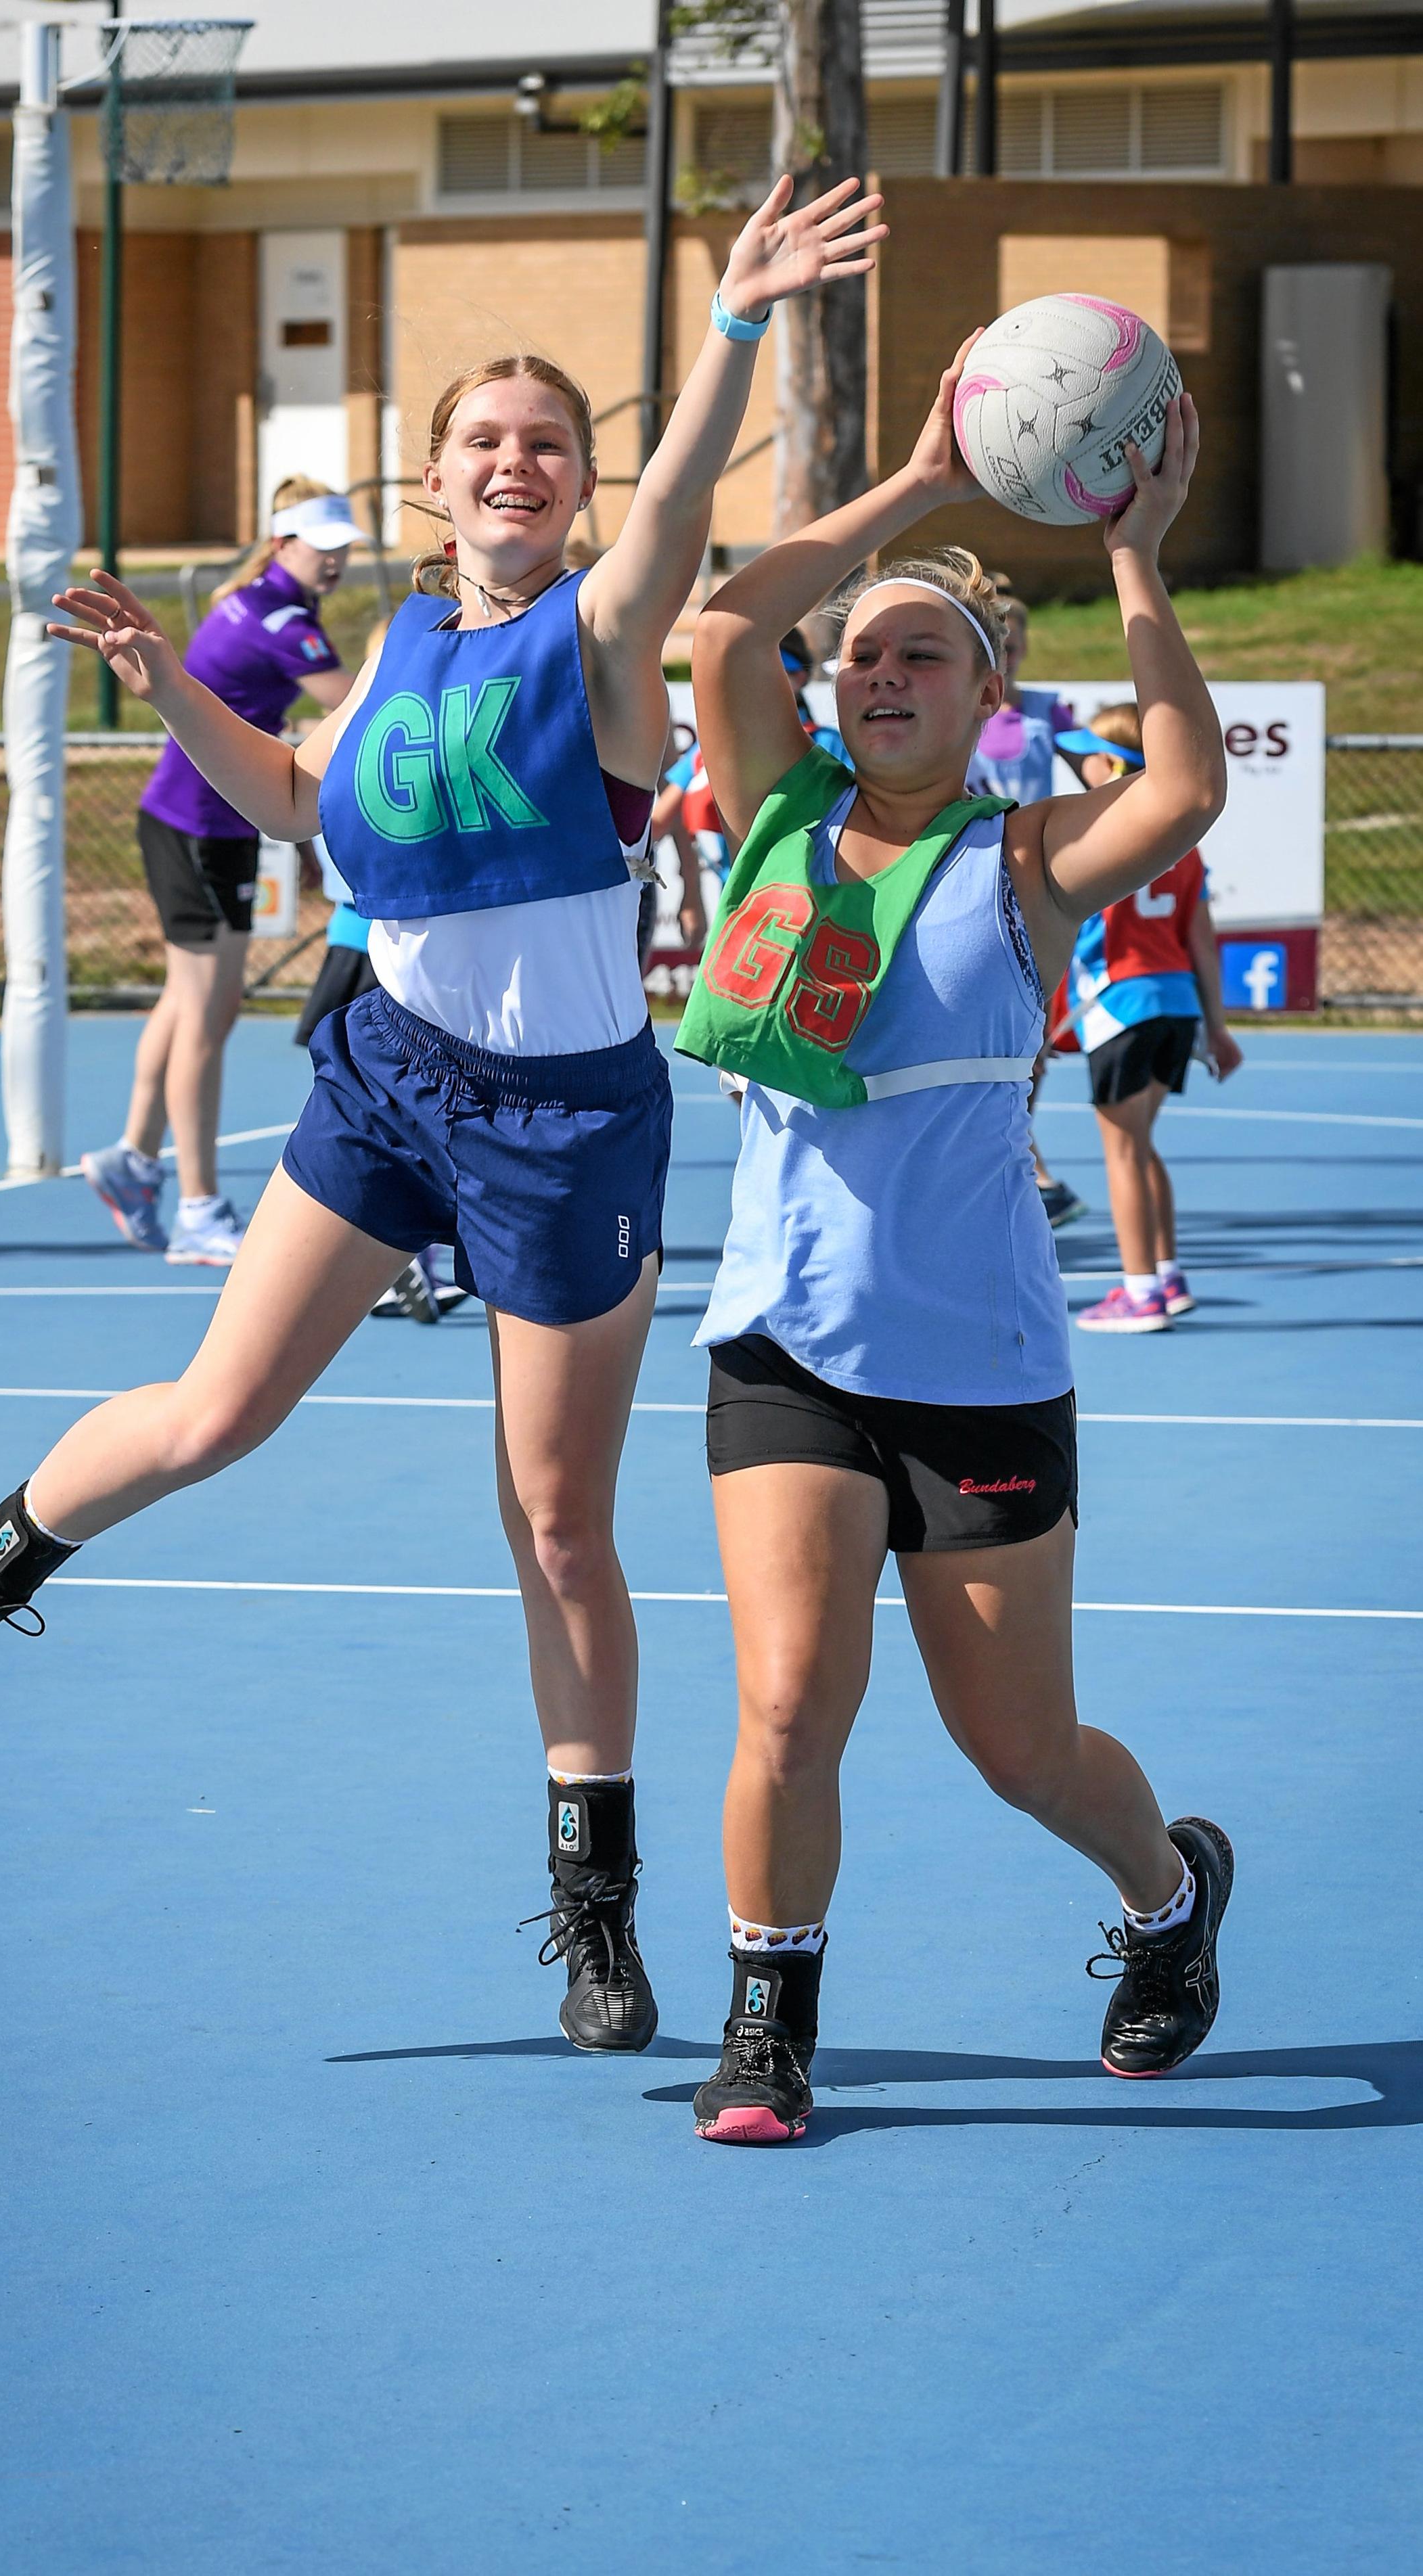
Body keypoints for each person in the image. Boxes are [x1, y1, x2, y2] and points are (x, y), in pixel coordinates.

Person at [0, 176, 888, 2056]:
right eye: (483, 440)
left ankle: (594, 1911)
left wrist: (732, 320)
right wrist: (162, 677)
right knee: (217, 1411)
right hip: (389, 1084)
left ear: (576, 485)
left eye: (548, 443)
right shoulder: (392, 657)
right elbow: (281, 802)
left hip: (565, 1129)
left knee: (558, 1522)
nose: (517, 462)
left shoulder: (595, 644)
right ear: (433, 483)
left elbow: (679, 519)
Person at [675, 343, 1233, 2144]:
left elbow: (1189, 789)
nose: (878, 671)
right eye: (860, 652)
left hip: (979, 1364)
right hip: (782, 1346)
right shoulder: (779, 811)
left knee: (1018, 1756)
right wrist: (916, 483)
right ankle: (768, 2022)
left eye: (922, 650)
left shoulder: (1022, 864)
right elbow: (708, 626)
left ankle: (1165, 1896)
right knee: (785, 1704)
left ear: (988, 694)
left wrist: (1132, 550)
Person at [80, 480, 365, 1266]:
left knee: (193, 1001)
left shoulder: (247, 603)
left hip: (218, 825)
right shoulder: (283, 625)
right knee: (208, 1017)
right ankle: (199, 1209)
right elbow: (364, 712)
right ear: (282, 544)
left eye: (343, 545)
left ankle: (135, 1157)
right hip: (197, 831)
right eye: (321, 544)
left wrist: (302, 840)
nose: (336, 558)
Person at [1055, 704, 1243, 1334]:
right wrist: (1217, 1026)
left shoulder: (1096, 831)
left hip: (1120, 1002)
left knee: (1122, 1151)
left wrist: (1048, 1014)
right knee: (1142, 1143)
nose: (1077, 764)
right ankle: (1166, 1273)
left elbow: (1069, 931)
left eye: (1085, 754)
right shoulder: (1179, 842)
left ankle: (1139, 1291)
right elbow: (1200, 937)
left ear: (1109, 764)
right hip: (1176, 1003)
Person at [965, 588, 1090, 1233]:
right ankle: (1020, 1163)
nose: (1009, 649)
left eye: (1016, 640)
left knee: (1033, 1043)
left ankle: (1018, 1151)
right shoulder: (958, 711)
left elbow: (1103, 764)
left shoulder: (1047, 712)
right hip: (969, 885)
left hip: (1031, 889)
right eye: (997, 640)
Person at [654, 628, 844, 953]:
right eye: (757, 672)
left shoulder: (831, 745)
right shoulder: (716, 745)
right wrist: (691, 891)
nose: (770, 684)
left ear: (802, 678)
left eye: (785, 673)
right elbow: (658, 823)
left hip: (824, 917)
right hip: (742, 916)